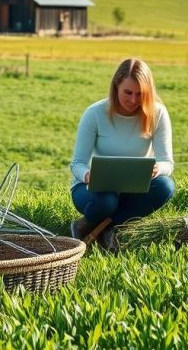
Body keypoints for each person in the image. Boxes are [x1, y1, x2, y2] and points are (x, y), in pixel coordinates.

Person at [68, 58, 175, 248]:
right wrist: (87, 175)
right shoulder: (94, 113)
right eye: (128, 92)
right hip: (94, 190)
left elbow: (168, 162)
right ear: (116, 86)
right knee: (107, 200)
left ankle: (105, 227)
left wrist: (158, 169)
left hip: (134, 189)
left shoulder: (157, 113)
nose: (133, 100)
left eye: (140, 94)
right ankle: (87, 224)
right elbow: (77, 163)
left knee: (165, 186)